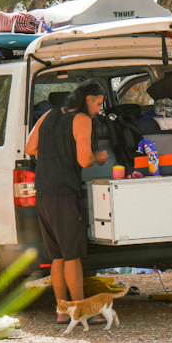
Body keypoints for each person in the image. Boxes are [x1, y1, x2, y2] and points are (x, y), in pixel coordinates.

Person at [25, 81, 108, 322]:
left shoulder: (49, 115)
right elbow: (84, 161)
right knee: (72, 256)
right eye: (99, 104)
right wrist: (98, 157)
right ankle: (81, 311)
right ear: (88, 99)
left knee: (57, 256)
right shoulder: (82, 119)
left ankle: (63, 312)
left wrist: (53, 153)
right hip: (64, 193)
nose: (99, 110)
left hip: (43, 192)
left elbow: (30, 147)